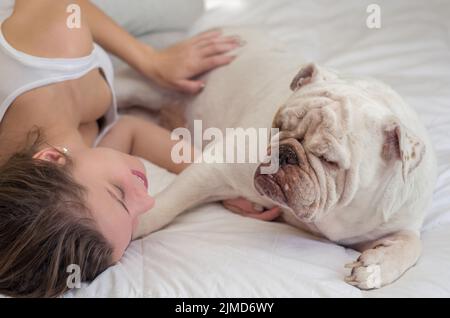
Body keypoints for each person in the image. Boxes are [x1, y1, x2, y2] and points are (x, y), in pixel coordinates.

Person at [0, 0, 280, 297]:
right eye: (135, 219)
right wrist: (218, 178)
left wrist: (153, 62)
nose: (146, 202)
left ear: (51, 159)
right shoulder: (70, 173)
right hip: (97, 57)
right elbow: (129, 131)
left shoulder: (49, 45)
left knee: (187, 9)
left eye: (120, 194)